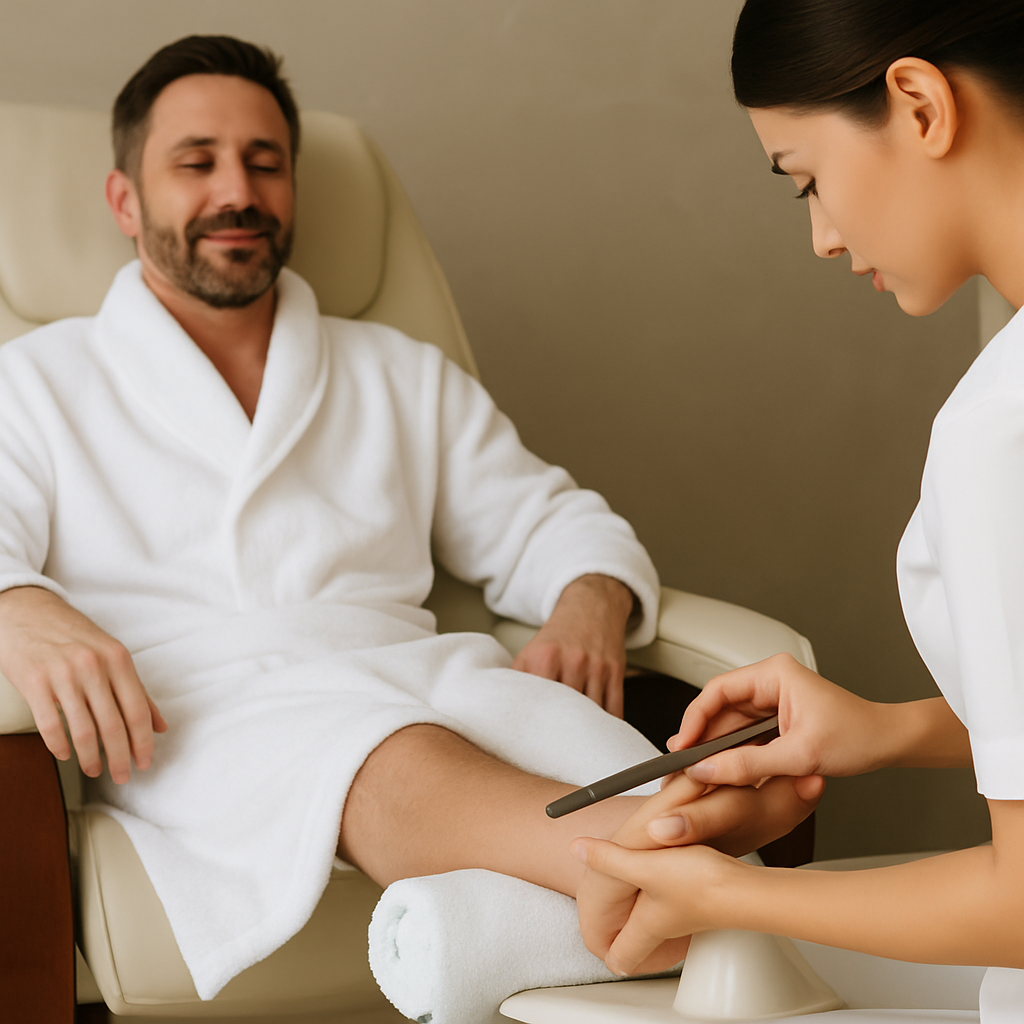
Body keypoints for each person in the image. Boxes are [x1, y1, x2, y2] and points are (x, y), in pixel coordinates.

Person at [0, 35, 817, 999]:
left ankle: (646, 868)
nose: (238, 190)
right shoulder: (39, 380)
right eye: (197, 162)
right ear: (124, 200)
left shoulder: (394, 373)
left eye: (266, 163)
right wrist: (16, 601)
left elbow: (555, 522)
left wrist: (587, 602)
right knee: (377, 751)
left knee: (557, 734)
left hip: (417, 673)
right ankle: (665, 859)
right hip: (189, 715)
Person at [572, 2, 1024, 1019]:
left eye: (808, 179)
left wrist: (736, 892)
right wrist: (889, 731)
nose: (821, 236)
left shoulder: (999, 432)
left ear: (916, 104)